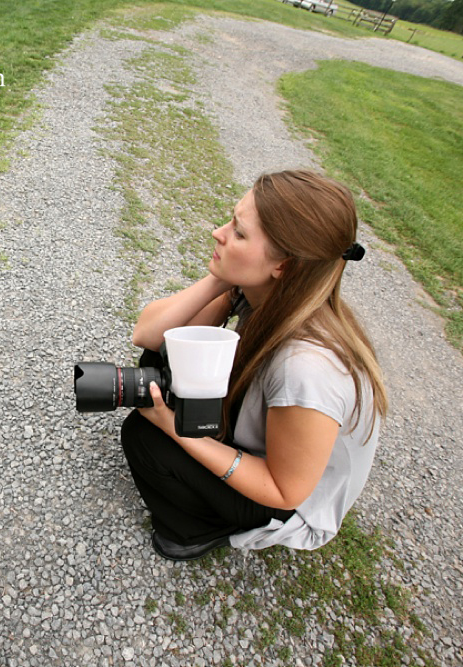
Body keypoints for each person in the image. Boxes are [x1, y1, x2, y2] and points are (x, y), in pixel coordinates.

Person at [121, 169, 388, 561]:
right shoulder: (271, 293)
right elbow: (149, 334)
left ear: (284, 266)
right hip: (267, 442)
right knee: (165, 357)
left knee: (146, 439)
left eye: (240, 233)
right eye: (231, 220)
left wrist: (178, 432)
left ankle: (195, 531)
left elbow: (286, 490)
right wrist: (220, 282)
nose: (218, 232)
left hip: (288, 503)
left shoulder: (308, 367)